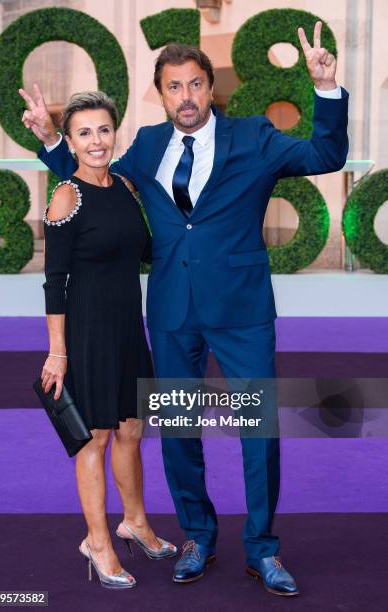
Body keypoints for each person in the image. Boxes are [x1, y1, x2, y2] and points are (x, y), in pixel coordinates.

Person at [20, 22, 348, 596]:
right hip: (171, 313)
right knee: (177, 431)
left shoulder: (255, 137)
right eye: (174, 87)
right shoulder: (145, 146)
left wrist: (325, 88)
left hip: (241, 312)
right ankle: (196, 535)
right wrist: (54, 140)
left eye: (196, 84)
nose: (187, 97)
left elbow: (326, 152)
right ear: (161, 93)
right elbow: (91, 188)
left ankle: (262, 548)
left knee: (256, 433)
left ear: (208, 88)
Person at [28, 90, 177, 590]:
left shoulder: (127, 188)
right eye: (84, 133)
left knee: (132, 429)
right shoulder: (66, 196)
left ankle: (134, 520)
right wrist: (58, 350)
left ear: (116, 132)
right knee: (93, 439)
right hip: (87, 330)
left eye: (104, 130)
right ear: (69, 142)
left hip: (128, 327)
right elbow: (54, 280)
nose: (96, 141)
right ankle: (97, 541)